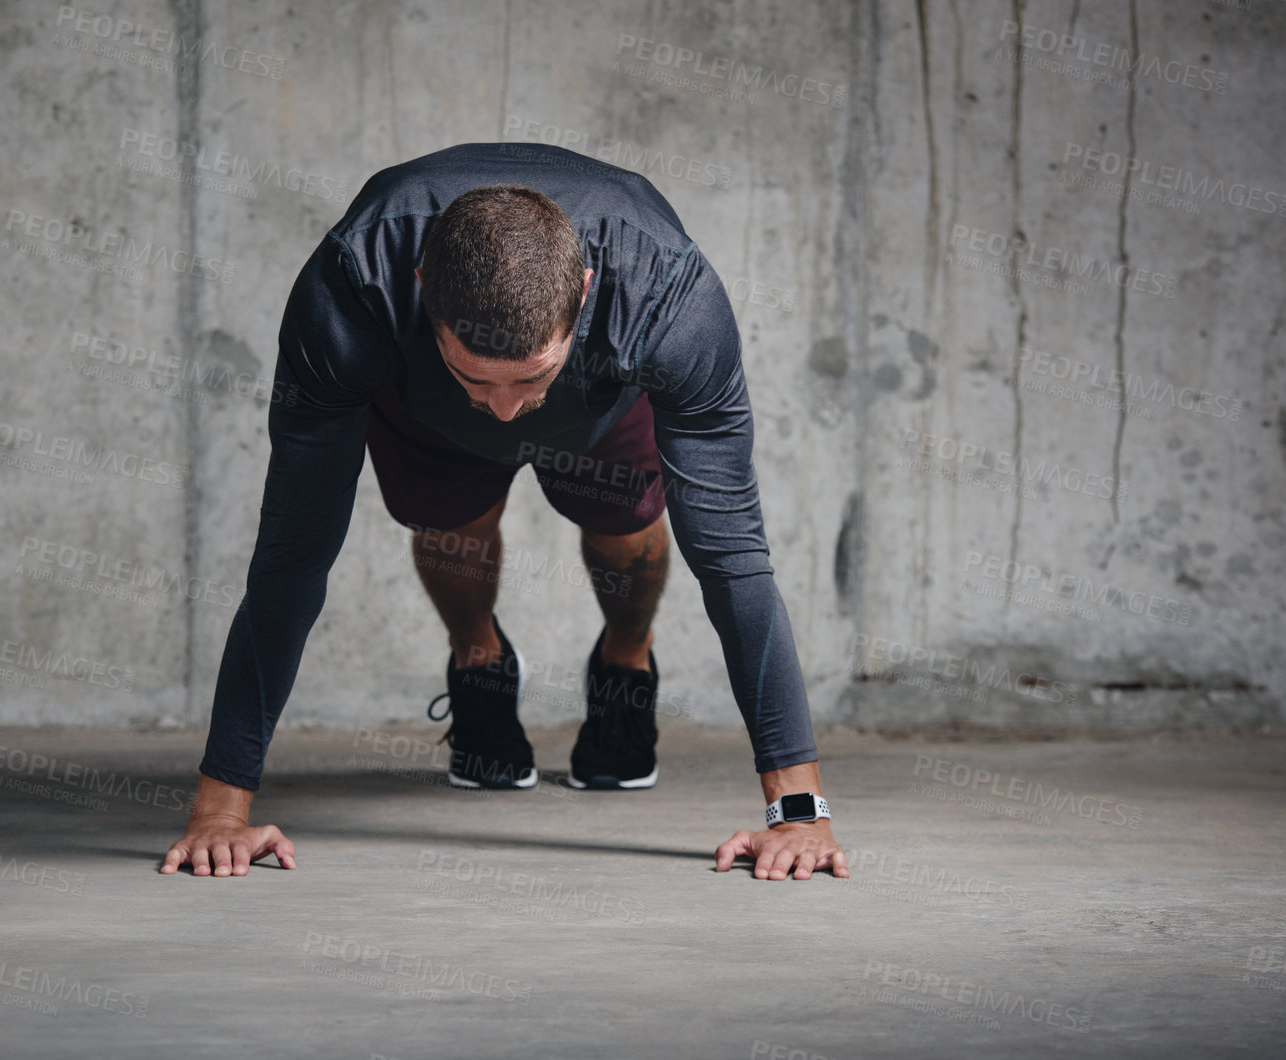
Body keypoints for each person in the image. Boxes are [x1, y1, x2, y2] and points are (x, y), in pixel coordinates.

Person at [160, 142, 847, 883]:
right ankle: (479, 661)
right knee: (453, 538)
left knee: (628, 540)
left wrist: (799, 813)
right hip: (423, 409)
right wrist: (220, 813)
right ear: (421, 286)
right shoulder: (352, 284)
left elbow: (733, 556)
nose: (504, 407)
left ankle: (624, 664)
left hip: (603, 402)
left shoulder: (668, 295)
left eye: (529, 376)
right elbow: (294, 549)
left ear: (584, 289)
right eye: (476, 373)